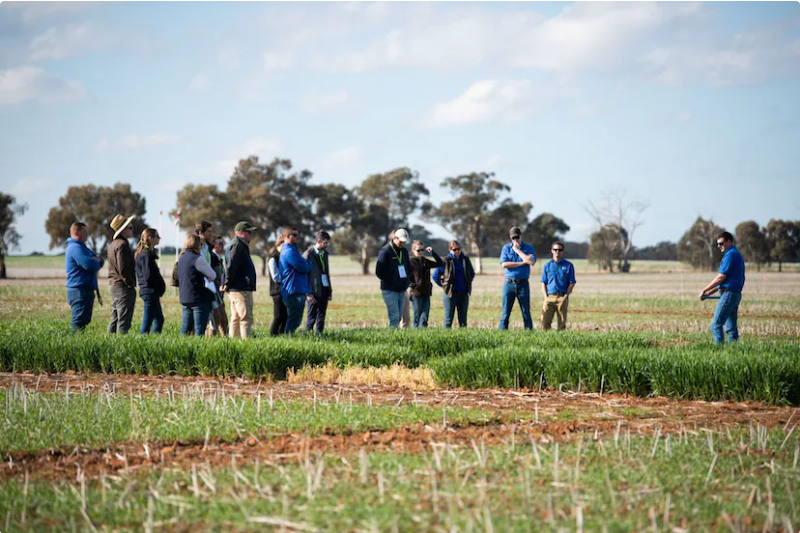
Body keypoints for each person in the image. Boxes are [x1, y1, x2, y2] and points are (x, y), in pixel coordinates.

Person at [700, 231, 746, 345]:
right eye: (718, 244)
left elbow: (721, 277)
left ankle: (719, 352)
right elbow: (725, 281)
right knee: (731, 328)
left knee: (716, 325)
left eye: (721, 243)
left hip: (728, 294)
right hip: (734, 294)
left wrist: (705, 290)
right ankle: (733, 351)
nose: (719, 246)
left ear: (729, 242)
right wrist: (709, 293)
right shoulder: (736, 254)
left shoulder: (730, 255)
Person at [65, 222, 104, 331]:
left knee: (84, 320)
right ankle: (74, 344)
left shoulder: (82, 247)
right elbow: (89, 265)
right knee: (78, 322)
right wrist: (97, 262)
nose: (87, 234)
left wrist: (98, 261)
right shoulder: (75, 248)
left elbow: (99, 259)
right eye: (85, 232)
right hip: (79, 290)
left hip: (84, 289)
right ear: (77, 232)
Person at [498, 226, 537, 330]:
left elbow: (531, 262)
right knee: (505, 312)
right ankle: (502, 334)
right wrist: (522, 262)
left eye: (517, 237)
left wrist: (518, 251)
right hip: (509, 283)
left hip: (523, 284)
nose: (515, 240)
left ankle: (528, 333)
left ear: (521, 236)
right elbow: (504, 264)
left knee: (526, 312)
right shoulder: (506, 248)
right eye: (513, 238)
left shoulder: (528, 248)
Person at [178, 234, 217, 335]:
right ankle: (197, 349)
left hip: (185, 297)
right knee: (199, 328)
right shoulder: (198, 259)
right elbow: (213, 275)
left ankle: (181, 348)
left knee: (185, 328)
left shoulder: (181, 258)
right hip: (198, 298)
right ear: (197, 244)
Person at [279, 226, 315, 334]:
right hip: (294, 290)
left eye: (298, 235)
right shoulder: (290, 252)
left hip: (296, 289)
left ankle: (288, 338)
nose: (298, 237)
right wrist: (308, 263)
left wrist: (305, 263)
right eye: (295, 235)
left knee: (294, 319)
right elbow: (304, 267)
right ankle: (287, 341)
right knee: (294, 321)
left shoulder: (293, 250)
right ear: (287, 236)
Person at [225, 221, 257, 339]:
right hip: (240, 288)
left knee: (236, 317)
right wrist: (227, 282)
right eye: (249, 232)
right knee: (246, 318)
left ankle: (232, 343)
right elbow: (231, 265)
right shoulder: (238, 245)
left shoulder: (238, 244)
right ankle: (246, 345)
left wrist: (227, 283)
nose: (251, 235)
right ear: (240, 232)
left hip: (236, 287)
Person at [195, 223, 227, 338]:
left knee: (217, 315)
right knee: (203, 318)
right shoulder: (196, 247)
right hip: (201, 286)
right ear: (200, 233)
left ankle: (210, 340)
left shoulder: (206, 247)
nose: (211, 234)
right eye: (208, 231)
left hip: (210, 285)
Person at [433, 240, 475, 328]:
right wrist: (444, 286)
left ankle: (463, 338)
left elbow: (471, 273)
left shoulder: (465, 260)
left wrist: (467, 283)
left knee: (463, 320)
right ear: (450, 250)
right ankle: (446, 339)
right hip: (450, 294)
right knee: (448, 320)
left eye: (458, 249)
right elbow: (435, 276)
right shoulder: (445, 261)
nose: (457, 251)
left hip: (463, 293)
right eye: (454, 249)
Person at [375, 228, 412, 328]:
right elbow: (379, 271)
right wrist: (392, 280)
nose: (402, 244)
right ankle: (392, 339)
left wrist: (407, 282)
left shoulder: (404, 252)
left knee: (399, 317)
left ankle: (397, 338)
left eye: (404, 242)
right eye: (401, 241)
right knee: (394, 317)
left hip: (402, 289)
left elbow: (408, 268)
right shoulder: (385, 251)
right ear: (395, 238)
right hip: (389, 290)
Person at [107, 214, 137, 334]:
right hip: (122, 287)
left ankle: (109, 343)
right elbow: (123, 268)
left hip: (113, 285)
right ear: (123, 230)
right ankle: (121, 345)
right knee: (124, 320)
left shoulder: (113, 244)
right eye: (130, 227)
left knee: (114, 318)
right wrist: (130, 283)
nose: (132, 229)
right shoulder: (123, 245)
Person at [134, 228, 166, 334]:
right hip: (149, 291)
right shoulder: (146, 254)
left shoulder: (146, 253)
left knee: (159, 320)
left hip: (150, 291)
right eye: (157, 236)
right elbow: (148, 275)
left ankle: (153, 341)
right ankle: (144, 341)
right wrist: (158, 285)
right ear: (150, 238)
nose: (159, 238)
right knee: (148, 321)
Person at [540, 241, 576, 331]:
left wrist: (566, 296)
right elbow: (543, 282)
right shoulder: (547, 265)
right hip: (549, 296)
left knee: (562, 324)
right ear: (552, 251)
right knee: (545, 323)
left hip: (562, 297)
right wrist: (545, 297)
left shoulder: (569, 265)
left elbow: (572, 282)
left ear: (562, 251)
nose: (557, 252)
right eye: (555, 249)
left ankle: (560, 342)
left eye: (560, 250)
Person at [408, 240, 443, 328]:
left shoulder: (425, 261)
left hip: (426, 292)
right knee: (417, 316)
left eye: (422, 250)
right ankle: (414, 336)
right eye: (418, 250)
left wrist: (432, 253)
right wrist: (413, 285)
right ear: (413, 251)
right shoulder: (410, 262)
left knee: (424, 317)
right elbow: (405, 276)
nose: (421, 252)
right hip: (416, 293)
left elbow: (440, 263)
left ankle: (422, 336)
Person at [304, 230, 333, 334]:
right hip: (313, 290)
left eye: (328, 243)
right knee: (311, 315)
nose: (327, 245)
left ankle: (319, 336)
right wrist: (308, 293)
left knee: (322, 314)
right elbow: (304, 276)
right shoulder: (308, 254)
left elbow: (326, 273)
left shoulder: (325, 253)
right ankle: (307, 336)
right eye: (325, 243)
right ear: (318, 241)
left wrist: (329, 291)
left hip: (324, 288)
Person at [268, 237, 288, 336]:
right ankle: (273, 336)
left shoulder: (282, 256)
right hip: (277, 291)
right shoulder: (273, 258)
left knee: (285, 316)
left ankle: (281, 335)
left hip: (283, 290)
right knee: (278, 315)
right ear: (280, 244)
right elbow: (276, 277)